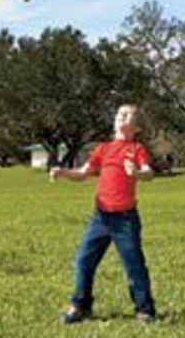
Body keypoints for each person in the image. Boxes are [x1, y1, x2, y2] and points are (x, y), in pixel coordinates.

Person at [50, 104, 157, 324]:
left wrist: (136, 172)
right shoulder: (104, 148)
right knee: (83, 261)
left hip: (125, 219)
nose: (121, 116)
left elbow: (148, 172)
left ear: (136, 127)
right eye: (119, 114)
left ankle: (145, 309)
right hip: (100, 217)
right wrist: (63, 172)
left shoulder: (136, 149)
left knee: (134, 266)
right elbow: (83, 173)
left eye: (128, 115)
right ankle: (81, 306)